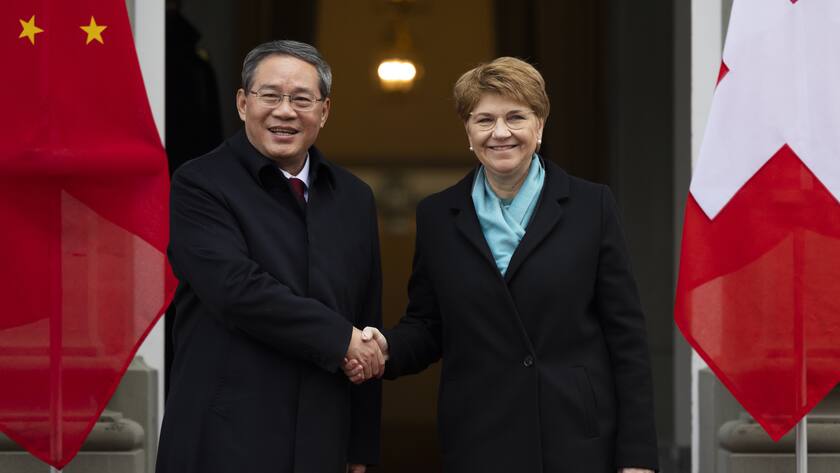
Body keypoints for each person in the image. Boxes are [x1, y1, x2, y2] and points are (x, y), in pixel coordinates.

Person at [346, 57, 659, 472]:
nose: (500, 133)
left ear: (540, 126)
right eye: (484, 119)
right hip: (479, 437)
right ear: (468, 131)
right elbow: (428, 325)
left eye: (516, 117)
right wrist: (385, 349)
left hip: (575, 439)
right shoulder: (438, 215)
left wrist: (637, 459)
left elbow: (627, 340)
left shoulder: (591, 206)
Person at [157, 40, 384, 473]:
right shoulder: (200, 184)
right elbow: (235, 290)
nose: (285, 111)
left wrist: (361, 449)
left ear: (324, 111)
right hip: (224, 439)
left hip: (322, 438)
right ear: (243, 103)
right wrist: (341, 338)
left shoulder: (354, 198)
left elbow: (365, 315)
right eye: (270, 95)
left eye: (301, 99)